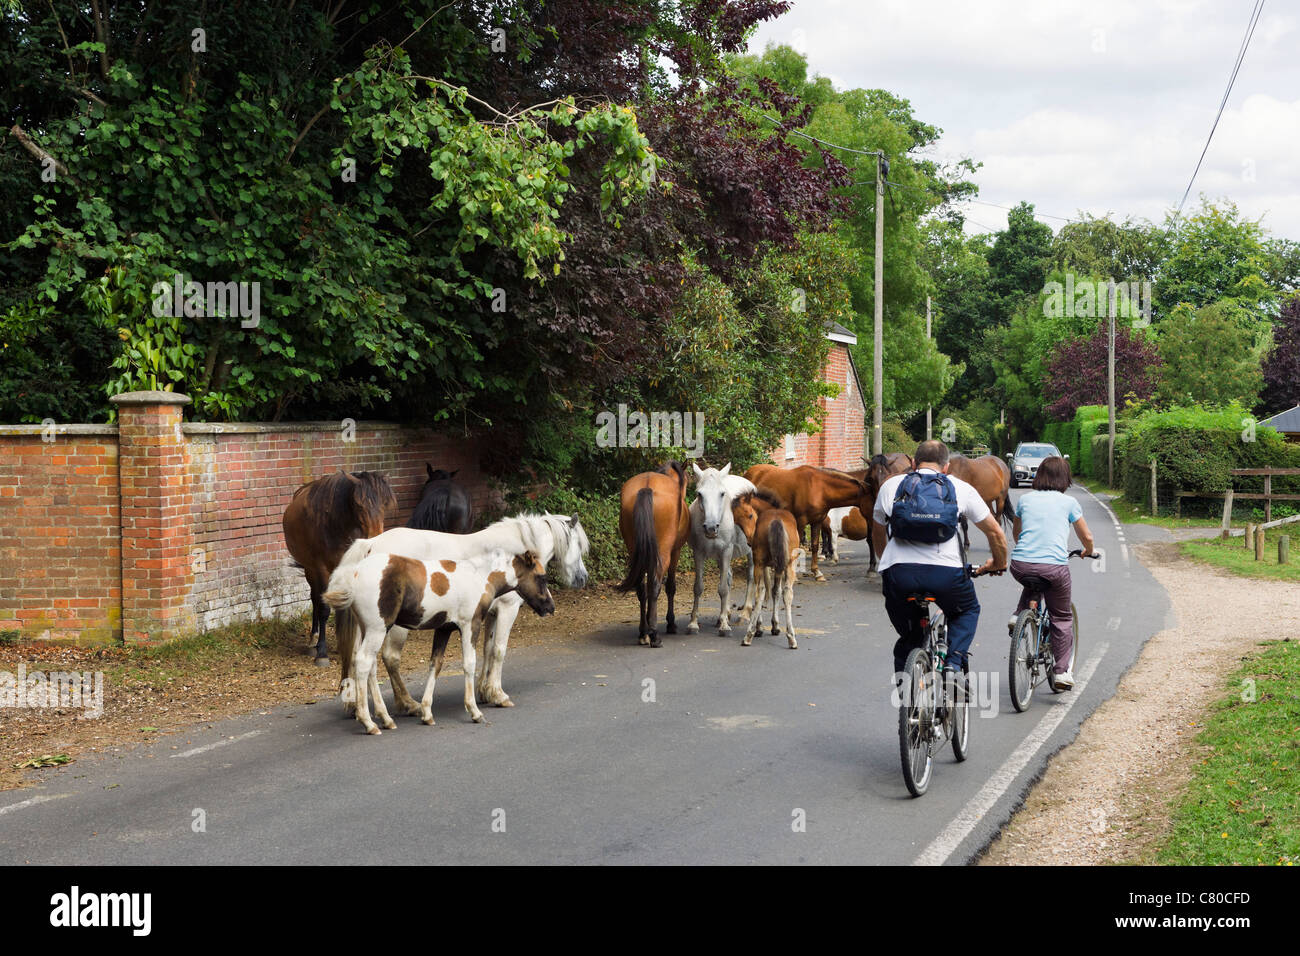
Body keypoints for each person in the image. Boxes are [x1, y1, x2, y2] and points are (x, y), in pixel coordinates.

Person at [874, 440, 1008, 681]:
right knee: (967, 610)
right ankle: (953, 664)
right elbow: (995, 533)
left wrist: (886, 562)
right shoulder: (960, 488)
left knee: (909, 638)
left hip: (899, 576)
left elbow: (877, 530)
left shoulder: (890, 486)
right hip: (947, 576)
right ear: (946, 467)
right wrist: (998, 562)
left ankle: (909, 701)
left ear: (913, 464)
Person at [1008, 455, 1095, 690]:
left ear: (1039, 476)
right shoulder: (1069, 503)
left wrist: (1027, 549)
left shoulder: (1025, 500)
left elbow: (1017, 532)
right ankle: (1061, 673)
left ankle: (1018, 615)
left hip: (1019, 564)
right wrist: (1089, 550)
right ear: (1065, 478)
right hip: (1054, 567)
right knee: (1062, 617)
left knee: (1033, 576)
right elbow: (1086, 536)